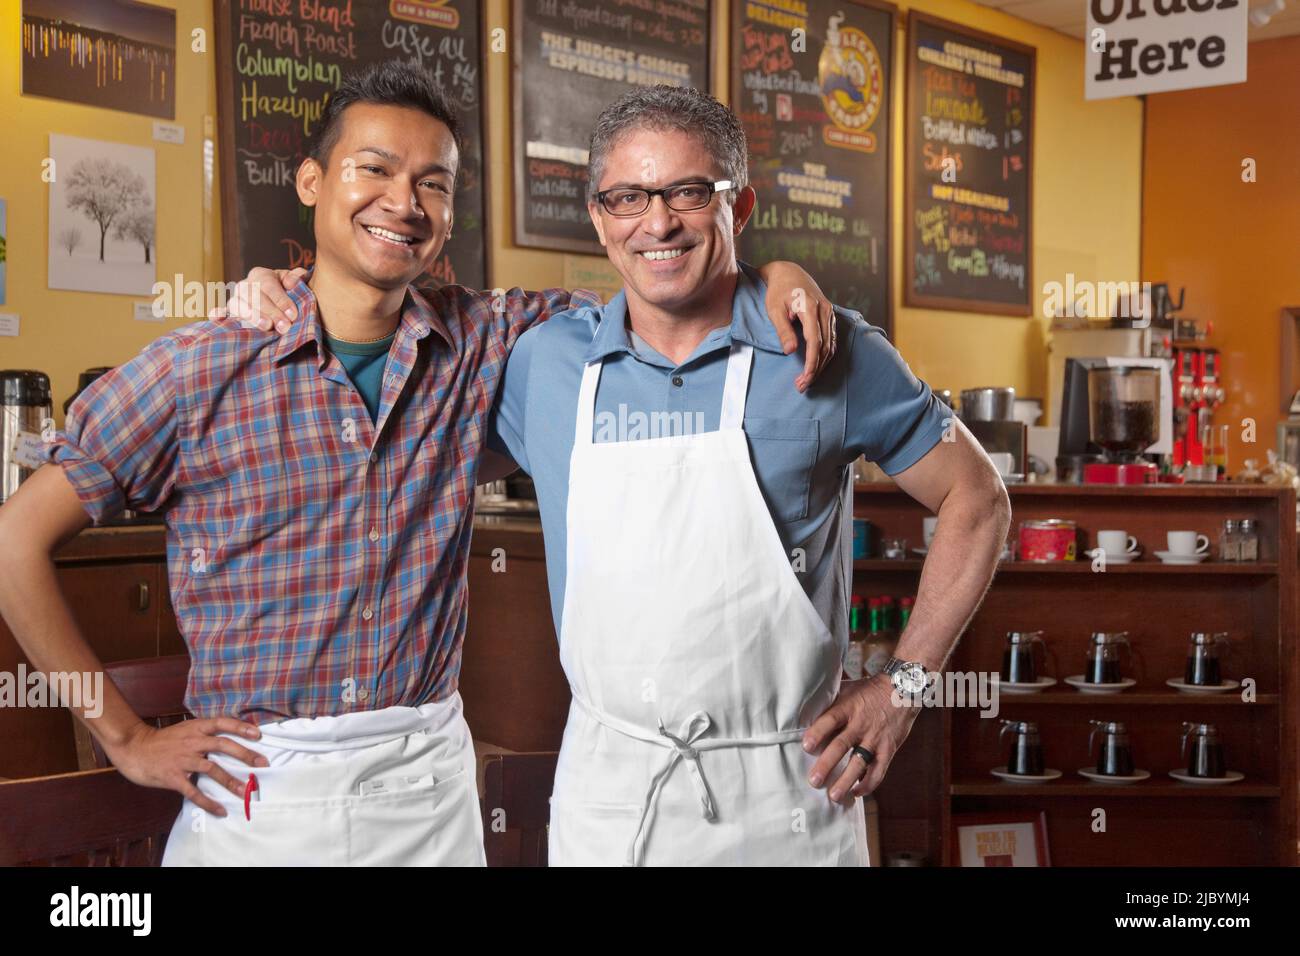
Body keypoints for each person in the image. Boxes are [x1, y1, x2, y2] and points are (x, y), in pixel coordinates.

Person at [0, 63, 832, 867]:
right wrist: (126, 740)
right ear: (310, 182)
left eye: (433, 183)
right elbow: (14, 543)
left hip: (428, 793)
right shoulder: (199, 368)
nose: (404, 202)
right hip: (254, 800)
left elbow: (664, 290)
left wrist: (773, 278)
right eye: (375, 169)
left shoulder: (483, 340)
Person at [484, 87, 1012, 865]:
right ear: (599, 216)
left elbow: (979, 498)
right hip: (610, 798)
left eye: (689, 193)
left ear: (741, 206)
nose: (656, 223)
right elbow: (392, 360)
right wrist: (274, 299)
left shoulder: (826, 352)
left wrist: (905, 692)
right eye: (628, 197)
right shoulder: (546, 364)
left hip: (790, 794)